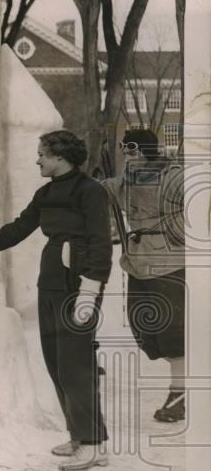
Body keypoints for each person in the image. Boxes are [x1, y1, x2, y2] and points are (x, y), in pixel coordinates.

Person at [0, 130, 113, 471]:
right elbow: (18, 228)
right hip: (51, 283)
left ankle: (94, 445)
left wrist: (90, 290)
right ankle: (80, 435)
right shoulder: (46, 193)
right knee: (56, 362)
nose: (37, 159)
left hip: (78, 286)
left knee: (76, 365)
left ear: (60, 156)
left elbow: (101, 243)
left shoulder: (90, 191)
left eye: (42, 153)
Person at [101, 129, 186, 422]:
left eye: (133, 151)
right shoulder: (127, 181)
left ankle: (179, 396)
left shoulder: (175, 177)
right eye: (125, 151)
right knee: (145, 330)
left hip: (170, 263)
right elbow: (99, 190)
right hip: (138, 264)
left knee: (173, 335)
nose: (127, 156)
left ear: (149, 152)